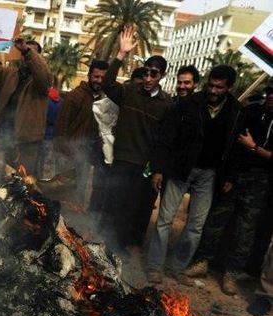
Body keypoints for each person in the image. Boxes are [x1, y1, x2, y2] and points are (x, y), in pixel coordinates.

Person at [145, 65, 242, 285]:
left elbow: (235, 148)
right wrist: (159, 169)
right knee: (165, 220)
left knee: (196, 226)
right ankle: (154, 267)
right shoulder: (189, 105)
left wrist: (230, 177)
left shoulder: (236, 111)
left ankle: (177, 267)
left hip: (210, 174)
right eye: (211, 85)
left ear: (229, 87)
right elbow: (167, 138)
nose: (214, 91)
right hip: (181, 169)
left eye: (220, 87)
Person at [187, 78, 273, 295]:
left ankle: (232, 273)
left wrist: (254, 148)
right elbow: (233, 143)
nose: (272, 97)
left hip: (261, 182)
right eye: (270, 92)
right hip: (235, 175)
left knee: (246, 230)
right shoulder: (250, 112)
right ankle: (202, 261)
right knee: (216, 219)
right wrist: (230, 176)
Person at [99, 25, 172, 250]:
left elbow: (164, 141)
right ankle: (100, 247)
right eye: (146, 71)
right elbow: (108, 84)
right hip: (121, 159)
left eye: (154, 73)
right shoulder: (130, 91)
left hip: (142, 166)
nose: (148, 77)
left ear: (162, 76)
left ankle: (117, 251)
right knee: (111, 205)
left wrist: (157, 169)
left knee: (130, 210)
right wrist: (121, 54)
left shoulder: (167, 104)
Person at [0, 38, 52, 174]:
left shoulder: (42, 82)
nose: (26, 56)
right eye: (23, 53)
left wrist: (27, 51)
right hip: (3, 138)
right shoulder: (11, 74)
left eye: (30, 53)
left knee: (21, 183)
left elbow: (43, 76)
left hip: (25, 143)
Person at [54, 59, 109, 211]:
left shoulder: (104, 100)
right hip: (67, 156)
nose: (99, 81)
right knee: (61, 195)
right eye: (96, 76)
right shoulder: (75, 96)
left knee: (78, 196)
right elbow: (61, 127)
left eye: (103, 78)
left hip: (85, 157)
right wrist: (63, 152)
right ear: (89, 75)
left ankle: (70, 230)